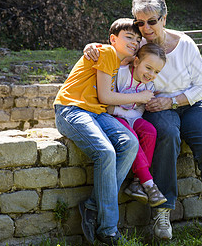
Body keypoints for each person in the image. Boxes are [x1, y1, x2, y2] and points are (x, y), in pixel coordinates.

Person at [84, 0, 202, 241]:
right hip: (153, 105)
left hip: (188, 103)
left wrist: (172, 100)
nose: (146, 28)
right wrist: (90, 48)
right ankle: (163, 212)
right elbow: (111, 48)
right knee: (167, 135)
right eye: (140, 22)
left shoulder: (185, 44)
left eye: (151, 21)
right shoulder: (137, 46)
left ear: (164, 18)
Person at [54, 18, 155, 246]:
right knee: (105, 152)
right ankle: (108, 230)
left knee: (130, 143)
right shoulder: (107, 52)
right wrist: (140, 97)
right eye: (129, 37)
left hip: (98, 113)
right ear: (113, 39)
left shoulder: (120, 59)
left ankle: (92, 206)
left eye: (138, 40)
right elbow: (106, 97)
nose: (134, 42)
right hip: (72, 109)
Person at [108, 43, 167, 207]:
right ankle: (148, 184)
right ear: (136, 62)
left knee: (150, 131)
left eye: (156, 72)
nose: (151, 74)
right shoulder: (121, 74)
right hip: (116, 118)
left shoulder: (149, 85)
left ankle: (136, 182)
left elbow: (139, 110)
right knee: (131, 137)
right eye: (148, 68)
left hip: (133, 117)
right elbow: (108, 103)